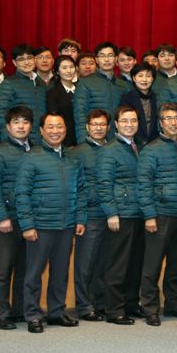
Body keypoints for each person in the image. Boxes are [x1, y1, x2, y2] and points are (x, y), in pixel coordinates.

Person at [15, 112, 86, 333]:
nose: (56, 131)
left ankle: (56, 312)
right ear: (41, 130)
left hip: (66, 225)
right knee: (34, 274)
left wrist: (80, 218)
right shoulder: (31, 157)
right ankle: (33, 315)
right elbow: (22, 193)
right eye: (51, 127)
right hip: (40, 226)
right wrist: (27, 225)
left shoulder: (72, 158)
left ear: (65, 129)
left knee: (60, 272)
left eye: (60, 127)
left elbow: (81, 191)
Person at [137, 103, 177, 326]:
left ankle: (173, 304)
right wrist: (149, 215)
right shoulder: (151, 149)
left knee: (176, 264)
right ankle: (149, 308)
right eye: (168, 118)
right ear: (160, 122)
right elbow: (143, 184)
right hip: (159, 214)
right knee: (152, 265)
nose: (173, 122)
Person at [0, 106, 36, 330]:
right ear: (7, 126)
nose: (21, 126)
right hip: (7, 219)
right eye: (16, 122)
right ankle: (1, 313)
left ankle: (19, 310)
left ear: (31, 126)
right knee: (3, 269)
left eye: (25, 122)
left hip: (31, 220)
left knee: (26, 269)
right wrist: (1, 216)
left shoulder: (37, 150)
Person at [97, 105, 145, 325]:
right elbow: (104, 184)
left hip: (138, 213)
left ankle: (131, 304)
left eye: (133, 120)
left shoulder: (138, 146)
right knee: (118, 264)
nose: (129, 125)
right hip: (120, 214)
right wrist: (111, 213)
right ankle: (114, 309)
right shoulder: (110, 150)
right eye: (125, 121)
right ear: (116, 124)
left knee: (135, 263)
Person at [67, 109, 111, 322]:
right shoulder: (76, 152)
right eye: (94, 124)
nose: (98, 128)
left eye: (102, 124)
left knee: (104, 263)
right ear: (87, 127)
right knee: (85, 264)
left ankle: (100, 303)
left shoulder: (112, 149)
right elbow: (74, 186)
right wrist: (80, 215)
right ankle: (84, 306)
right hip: (89, 215)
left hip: (110, 215)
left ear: (108, 127)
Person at [73, 42, 129, 142]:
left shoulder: (123, 85)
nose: (106, 59)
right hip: (94, 139)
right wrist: (83, 142)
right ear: (97, 60)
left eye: (110, 55)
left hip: (118, 140)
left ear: (116, 59)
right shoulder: (85, 82)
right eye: (102, 56)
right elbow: (80, 115)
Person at [0, 44, 47, 143]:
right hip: (19, 139)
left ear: (35, 59)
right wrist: (9, 140)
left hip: (40, 139)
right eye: (21, 59)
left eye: (29, 58)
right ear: (14, 63)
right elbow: (0, 114)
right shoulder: (8, 84)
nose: (26, 62)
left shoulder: (41, 83)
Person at [119, 63, 160, 145]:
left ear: (153, 79)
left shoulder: (157, 98)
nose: (144, 79)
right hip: (133, 143)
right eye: (140, 76)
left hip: (155, 143)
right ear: (134, 78)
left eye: (148, 76)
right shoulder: (127, 98)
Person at [45, 55, 79, 147]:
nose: (69, 71)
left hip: (84, 136)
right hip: (65, 140)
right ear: (57, 71)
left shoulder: (81, 88)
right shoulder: (53, 93)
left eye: (71, 67)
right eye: (64, 68)